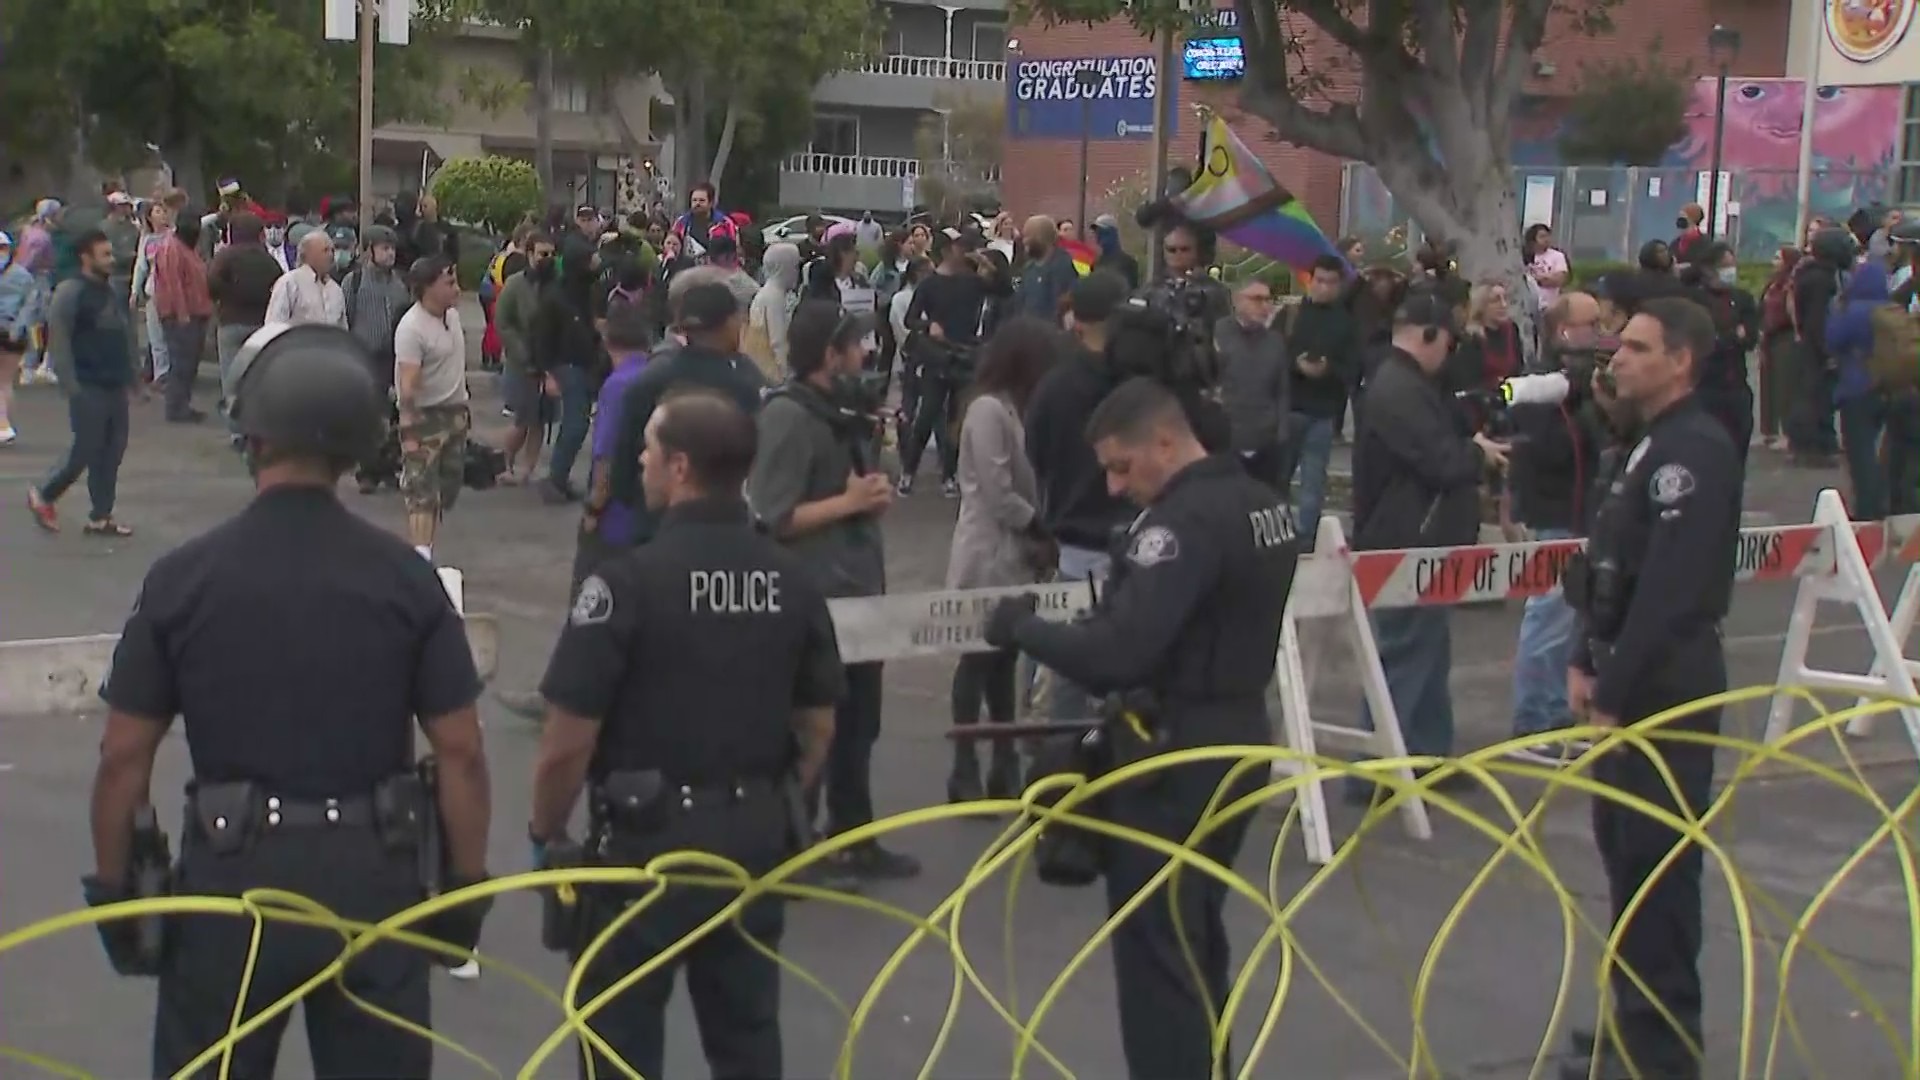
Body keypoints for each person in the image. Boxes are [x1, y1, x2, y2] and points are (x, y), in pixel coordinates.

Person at [86, 323, 492, 1079]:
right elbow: (461, 750)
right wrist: (465, 893)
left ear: (252, 437)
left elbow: (122, 757)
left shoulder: (184, 578)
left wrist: (117, 890)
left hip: (233, 885)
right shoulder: (407, 580)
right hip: (375, 878)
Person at [982, 376, 1301, 1080]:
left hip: (1173, 752)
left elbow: (1118, 653)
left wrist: (1023, 627)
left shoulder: (1178, 525)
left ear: (1167, 441)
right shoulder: (1263, 503)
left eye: (1123, 466)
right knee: (1197, 937)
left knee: (1159, 953)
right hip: (1241, 735)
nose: (1115, 485)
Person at [530, 388, 842, 1080]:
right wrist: (783, 796)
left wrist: (545, 831)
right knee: (747, 1035)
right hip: (753, 839)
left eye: (646, 450)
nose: (639, 463)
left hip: (644, 847)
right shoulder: (791, 580)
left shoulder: (627, 582)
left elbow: (567, 740)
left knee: (618, 1042)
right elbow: (818, 722)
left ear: (677, 468)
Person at [1558, 297, 1740, 1080]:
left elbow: (1670, 588)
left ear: (1680, 363)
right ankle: (1634, 1017)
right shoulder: (1640, 443)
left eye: (1636, 347)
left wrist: (1614, 688)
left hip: (1664, 686)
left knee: (1659, 864)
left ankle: (1664, 1048)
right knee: (1626, 861)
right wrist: (1581, 653)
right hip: (1620, 669)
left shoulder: (1692, 450)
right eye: (1617, 345)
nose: (1617, 358)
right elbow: (1607, 564)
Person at [747, 300, 920, 882]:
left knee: (859, 726)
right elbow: (771, 515)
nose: (866, 355)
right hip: (815, 601)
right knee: (810, 727)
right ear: (829, 353)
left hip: (858, 595)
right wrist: (848, 504)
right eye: (855, 346)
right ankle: (792, 844)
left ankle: (853, 834)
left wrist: (869, 493)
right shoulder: (789, 417)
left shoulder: (841, 411)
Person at [1347, 293, 1509, 791]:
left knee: (1427, 649)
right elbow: (1439, 461)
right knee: (1405, 651)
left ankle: (1426, 755)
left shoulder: (1404, 384)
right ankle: (1379, 769)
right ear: (1429, 335)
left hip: (1420, 533)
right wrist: (1474, 454)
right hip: (1408, 536)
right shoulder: (1398, 388)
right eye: (1449, 343)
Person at [944, 317, 1061, 801]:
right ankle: (966, 762)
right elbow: (997, 490)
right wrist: (1039, 524)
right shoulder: (988, 411)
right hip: (987, 548)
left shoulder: (1019, 409)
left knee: (1004, 660)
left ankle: (1004, 757)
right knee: (977, 657)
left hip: (1016, 552)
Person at [1506, 291, 1609, 764]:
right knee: (1548, 615)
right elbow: (1541, 447)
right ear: (1564, 329)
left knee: (1573, 617)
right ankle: (1534, 718)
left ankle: (1557, 708)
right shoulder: (1540, 385)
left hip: (1585, 508)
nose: (1597, 330)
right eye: (1588, 323)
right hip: (1554, 509)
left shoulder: (1591, 378)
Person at [606, 279, 768, 545]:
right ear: (730, 323)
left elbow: (621, 473)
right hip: (721, 537)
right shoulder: (745, 389)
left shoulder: (647, 382)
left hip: (654, 532)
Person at [27, 230, 136, 536]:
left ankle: (101, 516)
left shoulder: (111, 291)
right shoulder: (70, 292)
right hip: (87, 384)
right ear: (85, 258)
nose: (111, 259)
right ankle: (45, 494)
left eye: (111, 253)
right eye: (105, 254)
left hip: (114, 382)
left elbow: (124, 334)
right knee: (86, 448)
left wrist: (133, 378)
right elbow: (59, 341)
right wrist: (70, 384)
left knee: (112, 451)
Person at [900, 233, 991, 497]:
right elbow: (910, 319)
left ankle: (949, 474)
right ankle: (909, 472)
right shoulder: (929, 285)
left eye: (966, 246)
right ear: (947, 250)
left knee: (956, 420)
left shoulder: (974, 282)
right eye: (958, 247)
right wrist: (929, 325)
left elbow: (1003, 288)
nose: (963, 251)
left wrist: (985, 263)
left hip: (966, 355)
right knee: (926, 415)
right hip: (938, 357)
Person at [394, 256, 471, 562]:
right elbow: (408, 384)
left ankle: (427, 544)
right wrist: (409, 428)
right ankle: (421, 558)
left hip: (455, 413)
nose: (457, 288)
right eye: (449, 283)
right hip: (425, 417)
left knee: (447, 488)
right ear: (427, 288)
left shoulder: (451, 317)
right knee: (421, 493)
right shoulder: (412, 328)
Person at [1282, 255, 1362, 548]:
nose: (1324, 288)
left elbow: (1353, 366)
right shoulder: (1292, 314)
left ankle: (1306, 538)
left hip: (1323, 411)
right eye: (1320, 280)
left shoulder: (1346, 322)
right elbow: (1275, 352)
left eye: (1331, 282)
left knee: (1313, 484)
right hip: (1289, 407)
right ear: (1310, 280)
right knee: (1280, 478)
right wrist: (1297, 364)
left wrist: (1328, 368)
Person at [207, 212, 284, 447]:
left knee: (231, 379)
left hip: (230, 321)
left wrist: (225, 297)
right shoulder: (268, 260)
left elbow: (211, 282)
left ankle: (237, 432)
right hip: (259, 323)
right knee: (256, 378)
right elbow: (278, 284)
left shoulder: (225, 256)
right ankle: (256, 427)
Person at [1214, 277, 1289, 489]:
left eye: (1268, 300)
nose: (1265, 306)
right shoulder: (1217, 334)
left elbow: (1282, 390)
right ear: (1237, 300)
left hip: (1266, 440)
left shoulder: (1275, 342)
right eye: (1257, 299)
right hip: (1226, 438)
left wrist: (1281, 433)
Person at [495, 232, 555, 485]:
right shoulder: (515, 285)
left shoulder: (555, 284)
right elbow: (503, 323)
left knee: (541, 419)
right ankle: (502, 463)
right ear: (529, 254)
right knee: (522, 419)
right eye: (542, 254)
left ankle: (528, 469)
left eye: (552, 254)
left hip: (548, 362)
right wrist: (521, 351)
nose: (547, 259)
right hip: (521, 362)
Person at [151, 214, 213, 423]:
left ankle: (182, 405)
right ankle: (176, 408)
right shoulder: (172, 248)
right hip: (181, 316)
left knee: (189, 363)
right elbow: (173, 284)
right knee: (181, 363)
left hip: (195, 312)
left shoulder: (186, 247)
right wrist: (182, 313)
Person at [265, 231, 348, 329]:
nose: (331, 255)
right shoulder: (290, 282)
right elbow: (273, 324)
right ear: (308, 254)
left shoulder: (336, 289)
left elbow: (343, 329)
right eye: (325, 250)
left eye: (332, 251)